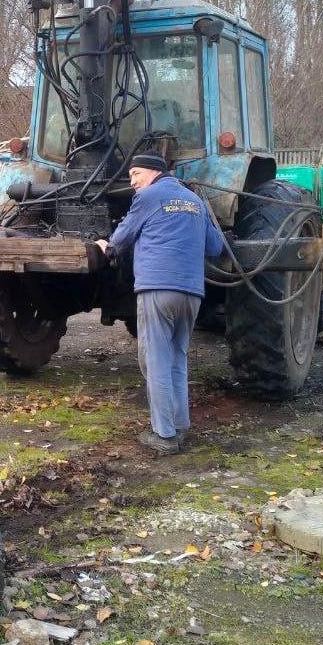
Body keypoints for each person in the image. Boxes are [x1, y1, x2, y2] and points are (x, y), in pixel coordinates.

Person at [95, 151, 224, 455]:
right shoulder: (195, 200)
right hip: (191, 292)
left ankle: (164, 435)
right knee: (177, 357)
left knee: (155, 360)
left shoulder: (148, 197)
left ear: (153, 172)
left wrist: (105, 245)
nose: (132, 182)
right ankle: (179, 424)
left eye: (135, 174)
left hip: (157, 288)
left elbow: (122, 239)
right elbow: (216, 246)